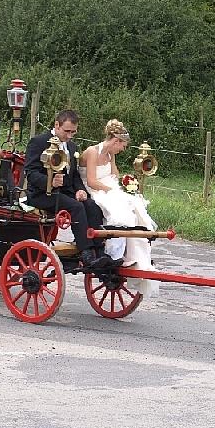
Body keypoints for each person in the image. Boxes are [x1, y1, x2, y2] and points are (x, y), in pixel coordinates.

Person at [23, 110, 116, 270]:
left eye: (73, 132)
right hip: (42, 194)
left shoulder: (72, 147)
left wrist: (80, 190)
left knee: (92, 205)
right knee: (76, 207)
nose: (70, 135)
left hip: (65, 193)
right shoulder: (38, 142)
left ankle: (99, 251)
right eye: (67, 131)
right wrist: (50, 182)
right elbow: (30, 173)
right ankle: (86, 252)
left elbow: (74, 175)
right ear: (57, 125)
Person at [79, 119, 159, 297]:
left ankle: (134, 256)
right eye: (122, 146)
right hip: (93, 190)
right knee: (120, 212)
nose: (123, 149)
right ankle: (114, 254)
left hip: (107, 188)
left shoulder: (110, 155)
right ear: (116, 141)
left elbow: (114, 174)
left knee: (134, 207)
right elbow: (91, 181)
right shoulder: (92, 152)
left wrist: (125, 183)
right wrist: (111, 190)